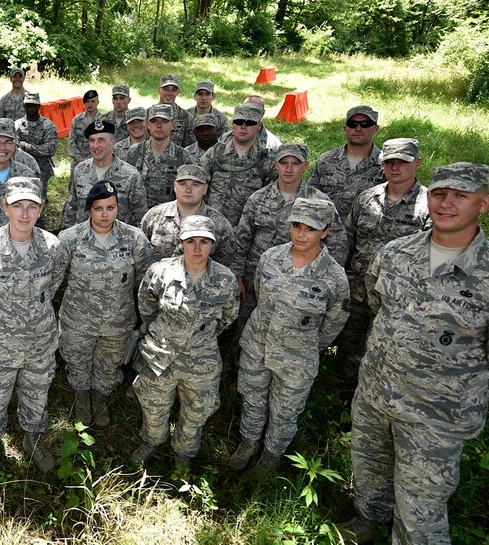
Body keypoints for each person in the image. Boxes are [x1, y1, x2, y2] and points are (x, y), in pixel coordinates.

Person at [339, 163, 489, 544]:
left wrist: (458, 386)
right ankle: (368, 520)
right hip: (375, 393)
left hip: (436, 415)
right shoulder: (395, 253)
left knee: (421, 510)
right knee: (369, 469)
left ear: (483, 203)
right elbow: (376, 303)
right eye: (439, 194)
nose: (447, 203)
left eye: (461, 195)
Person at [229, 198, 350, 478]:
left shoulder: (334, 277)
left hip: (297, 358)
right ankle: (248, 443)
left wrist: (307, 346)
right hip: (258, 345)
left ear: (326, 231)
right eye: (296, 225)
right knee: (253, 398)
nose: (301, 234)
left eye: (311, 228)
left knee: (285, 411)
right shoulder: (270, 258)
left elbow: (334, 322)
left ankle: (270, 455)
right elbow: (260, 293)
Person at [0, 177, 68, 482]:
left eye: (31, 206)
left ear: (41, 208)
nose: (24, 213)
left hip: (39, 341)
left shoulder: (52, 247)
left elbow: (55, 282)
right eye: (17, 206)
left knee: (37, 394)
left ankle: (33, 437)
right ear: (4, 207)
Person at [131, 215, 239, 468]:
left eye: (204, 241)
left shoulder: (225, 279)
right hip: (160, 355)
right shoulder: (160, 271)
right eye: (191, 241)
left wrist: (199, 337)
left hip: (201, 360)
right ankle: (152, 441)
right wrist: (165, 330)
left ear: (213, 244)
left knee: (196, 412)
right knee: (153, 405)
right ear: (181, 242)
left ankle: (184, 452)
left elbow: (229, 316)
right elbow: (146, 304)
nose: (197, 248)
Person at [336, 138, 430, 392]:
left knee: (383, 349)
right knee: (349, 343)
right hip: (357, 288)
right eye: (389, 161)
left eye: (403, 162)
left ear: (417, 163)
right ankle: (344, 396)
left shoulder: (428, 205)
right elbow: (347, 240)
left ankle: (374, 396)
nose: (395, 167)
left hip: (396, 298)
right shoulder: (367, 198)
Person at [58, 181, 153, 428]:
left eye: (110, 208)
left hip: (117, 321)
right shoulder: (69, 239)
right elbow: (56, 279)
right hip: (78, 319)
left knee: (109, 364)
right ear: (89, 209)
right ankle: (81, 395)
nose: (105, 214)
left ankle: (100, 398)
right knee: (77, 361)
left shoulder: (134, 238)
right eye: (98, 208)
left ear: (117, 208)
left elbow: (144, 282)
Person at [230, 144, 348, 331]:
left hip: (303, 280)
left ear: (306, 166)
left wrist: (323, 277)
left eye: (295, 163)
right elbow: (242, 238)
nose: (289, 169)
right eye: (283, 163)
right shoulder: (258, 198)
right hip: (258, 276)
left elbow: (338, 244)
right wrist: (237, 276)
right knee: (250, 326)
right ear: (275, 165)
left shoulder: (320, 202)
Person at [199, 103, 280, 227]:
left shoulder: (267, 161)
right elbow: (198, 186)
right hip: (210, 225)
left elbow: (269, 200)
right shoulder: (214, 154)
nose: (243, 127)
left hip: (245, 231)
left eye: (249, 123)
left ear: (258, 126)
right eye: (238, 122)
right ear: (232, 124)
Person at [140, 164, 235, 268]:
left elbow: (224, 263)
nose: (188, 190)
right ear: (175, 187)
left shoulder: (220, 223)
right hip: (159, 281)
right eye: (182, 184)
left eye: (195, 185)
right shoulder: (154, 216)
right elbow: (141, 253)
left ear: (205, 189)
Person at [62, 119, 147, 227]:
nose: (95, 145)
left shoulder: (130, 175)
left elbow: (140, 216)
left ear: (113, 142)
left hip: (118, 241)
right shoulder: (80, 170)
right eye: (92, 140)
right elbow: (71, 208)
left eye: (101, 140)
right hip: (84, 240)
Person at [309, 105, 385, 220]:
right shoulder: (326, 160)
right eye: (352, 124)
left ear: (376, 128)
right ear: (345, 128)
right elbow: (311, 196)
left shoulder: (386, 165)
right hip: (327, 231)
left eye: (365, 124)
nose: (358, 128)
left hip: (364, 233)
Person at [120, 104, 193, 208]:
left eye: (165, 121)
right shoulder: (134, 151)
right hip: (137, 217)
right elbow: (125, 187)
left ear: (173, 125)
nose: (159, 126)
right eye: (154, 121)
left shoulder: (183, 156)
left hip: (167, 217)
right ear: (148, 124)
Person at [15, 92, 58, 189]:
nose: (31, 108)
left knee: (39, 200)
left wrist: (27, 146)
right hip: (20, 169)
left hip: (41, 170)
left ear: (39, 106)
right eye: (28, 105)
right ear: (24, 106)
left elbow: (51, 149)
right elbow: (14, 148)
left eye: (33, 105)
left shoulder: (48, 126)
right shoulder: (17, 125)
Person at [155, 74, 194, 148]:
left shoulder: (187, 117)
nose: (169, 93)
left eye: (174, 90)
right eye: (166, 89)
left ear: (178, 92)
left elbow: (190, 147)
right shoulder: (147, 114)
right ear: (159, 90)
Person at [68, 89, 102, 167]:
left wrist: (89, 160)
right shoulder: (77, 119)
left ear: (98, 102)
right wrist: (79, 158)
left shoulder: (102, 120)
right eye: (87, 101)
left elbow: (103, 143)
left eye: (93, 101)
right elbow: (72, 140)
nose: (90, 104)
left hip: (95, 162)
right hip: (77, 163)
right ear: (84, 103)